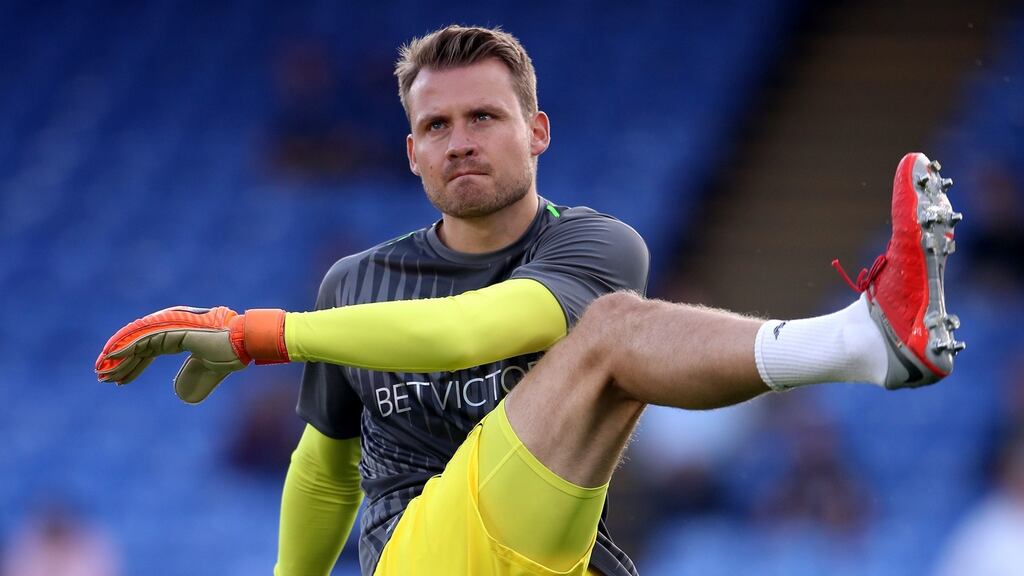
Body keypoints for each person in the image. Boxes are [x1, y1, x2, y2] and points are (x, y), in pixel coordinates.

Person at [94, 25, 965, 576]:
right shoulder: (353, 284)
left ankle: (868, 345)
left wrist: (257, 335)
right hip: (420, 559)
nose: (459, 142)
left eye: (485, 118)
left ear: (537, 131)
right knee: (614, 331)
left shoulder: (595, 244)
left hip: (553, 556)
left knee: (610, 330)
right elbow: (326, 468)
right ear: (410, 153)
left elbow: (478, 328)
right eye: (436, 126)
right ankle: (862, 344)